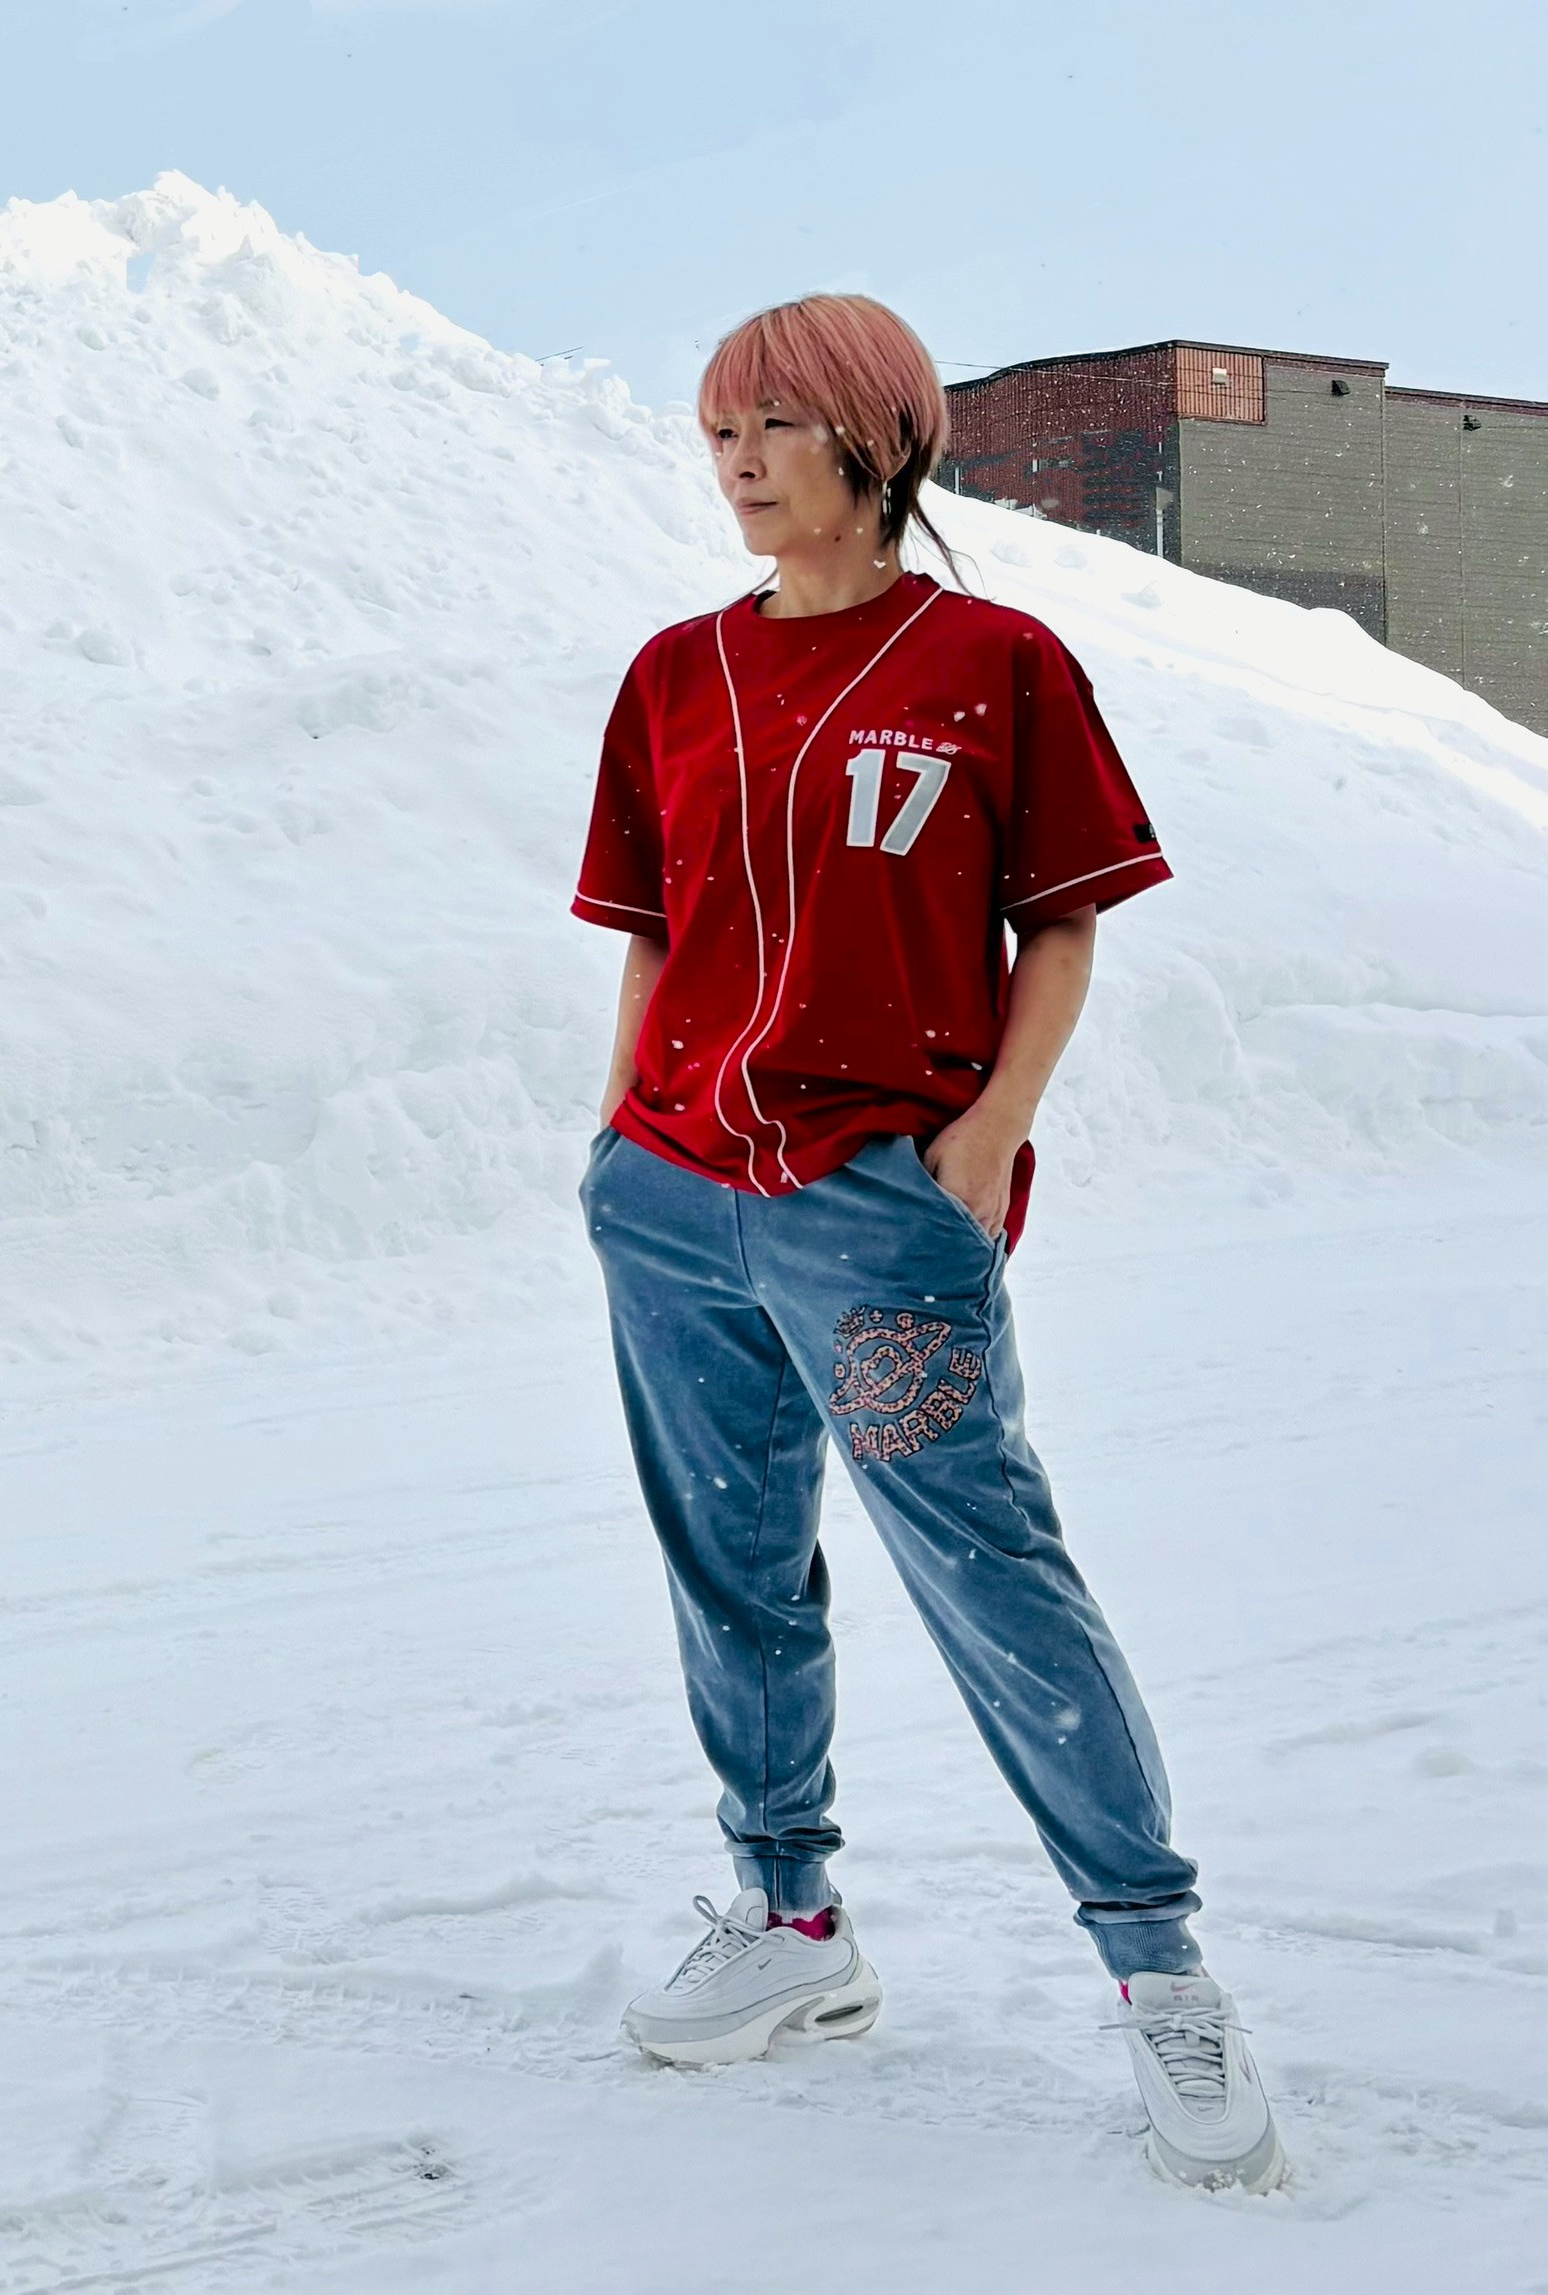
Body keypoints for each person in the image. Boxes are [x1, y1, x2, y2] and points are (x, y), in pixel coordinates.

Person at [571, 293, 1282, 2194]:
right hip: (675, 1207)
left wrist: (981, 1145)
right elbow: (654, 930)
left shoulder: (992, 663)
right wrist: (623, 1134)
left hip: (878, 1221)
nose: (736, 462)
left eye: (774, 426)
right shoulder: (674, 675)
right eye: (718, 431)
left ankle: (1160, 1971)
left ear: (877, 441)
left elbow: (1063, 922)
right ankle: (791, 1921)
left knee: (992, 1575)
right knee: (732, 1569)